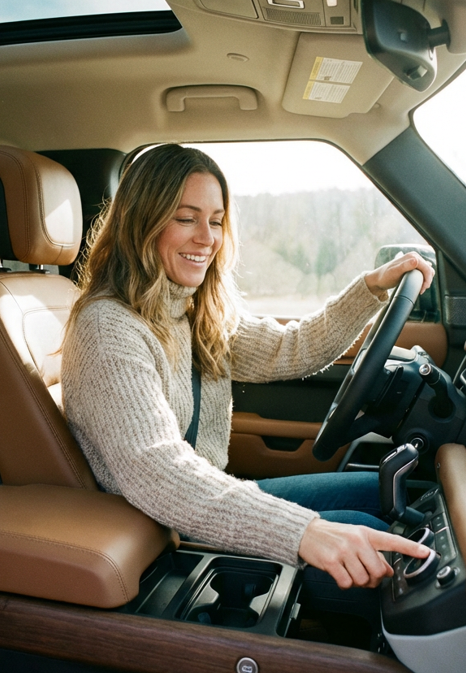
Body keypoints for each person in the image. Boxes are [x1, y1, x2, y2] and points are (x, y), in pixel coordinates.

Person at [62, 144, 432, 588]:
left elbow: (293, 347)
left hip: (202, 499)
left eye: (216, 221)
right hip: (165, 526)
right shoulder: (108, 328)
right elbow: (156, 469)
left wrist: (371, 287)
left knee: (384, 492)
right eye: (186, 218)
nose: (207, 238)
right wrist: (302, 532)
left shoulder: (191, 311)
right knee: (369, 532)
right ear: (140, 222)